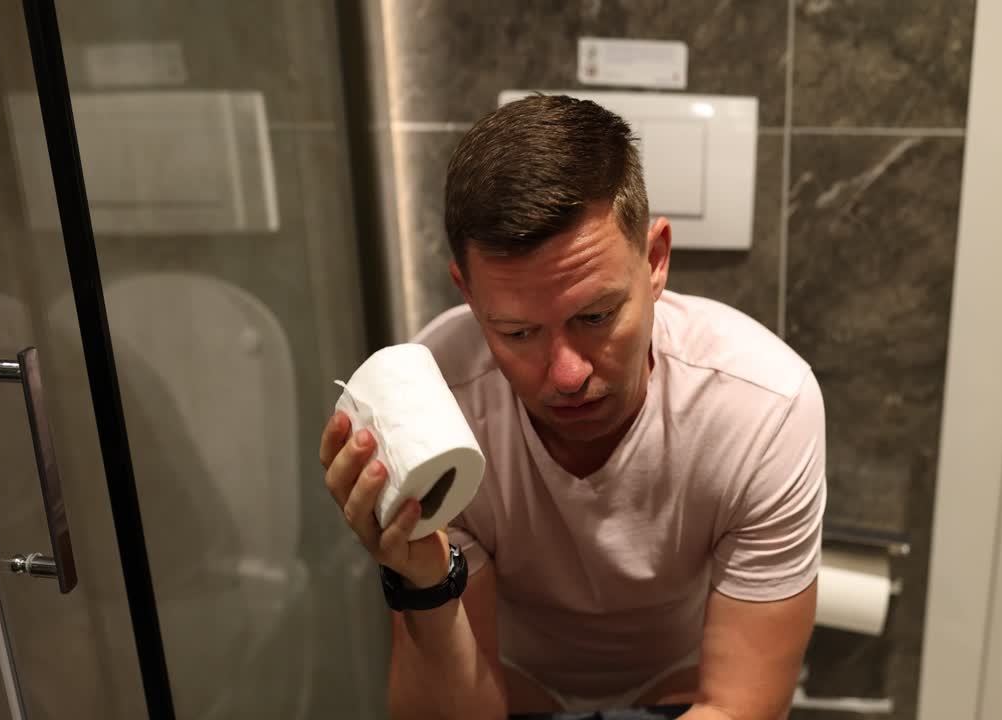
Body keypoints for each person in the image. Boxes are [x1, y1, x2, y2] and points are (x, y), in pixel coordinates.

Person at [320, 94, 826, 719]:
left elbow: (740, 707)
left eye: (596, 316)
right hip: (512, 688)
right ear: (469, 296)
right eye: (517, 332)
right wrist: (422, 582)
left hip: (683, 689)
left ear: (656, 259)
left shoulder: (762, 407)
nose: (567, 375)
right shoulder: (436, 411)